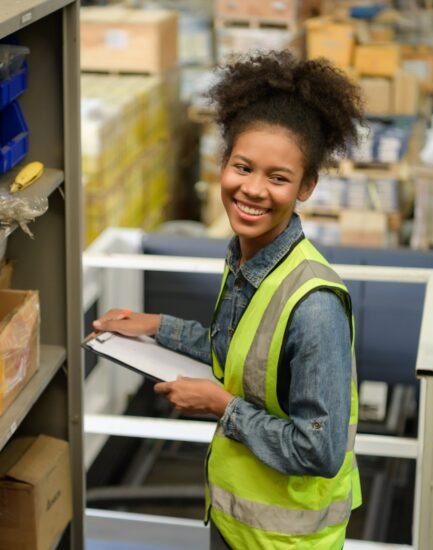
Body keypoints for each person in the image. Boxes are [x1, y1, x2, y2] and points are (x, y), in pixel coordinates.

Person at [92, 50, 364, 549]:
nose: (253, 190)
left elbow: (320, 450)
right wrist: (152, 325)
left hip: (287, 542)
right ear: (223, 165)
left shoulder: (315, 304)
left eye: (278, 177)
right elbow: (235, 350)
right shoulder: (247, 261)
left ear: (306, 186)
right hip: (235, 521)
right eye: (243, 167)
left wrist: (221, 405)